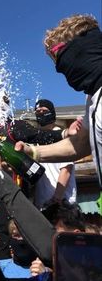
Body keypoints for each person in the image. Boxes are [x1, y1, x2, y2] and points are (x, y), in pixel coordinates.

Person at [15, 14, 102, 213]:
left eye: (61, 61)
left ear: (80, 50)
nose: (61, 72)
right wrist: (33, 151)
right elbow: (79, 144)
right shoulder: (92, 99)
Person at [33, 99, 77, 209]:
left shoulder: (63, 139)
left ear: (52, 113)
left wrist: (56, 199)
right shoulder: (36, 141)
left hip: (62, 203)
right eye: (37, 111)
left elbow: (66, 170)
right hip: (42, 205)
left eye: (44, 110)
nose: (40, 113)